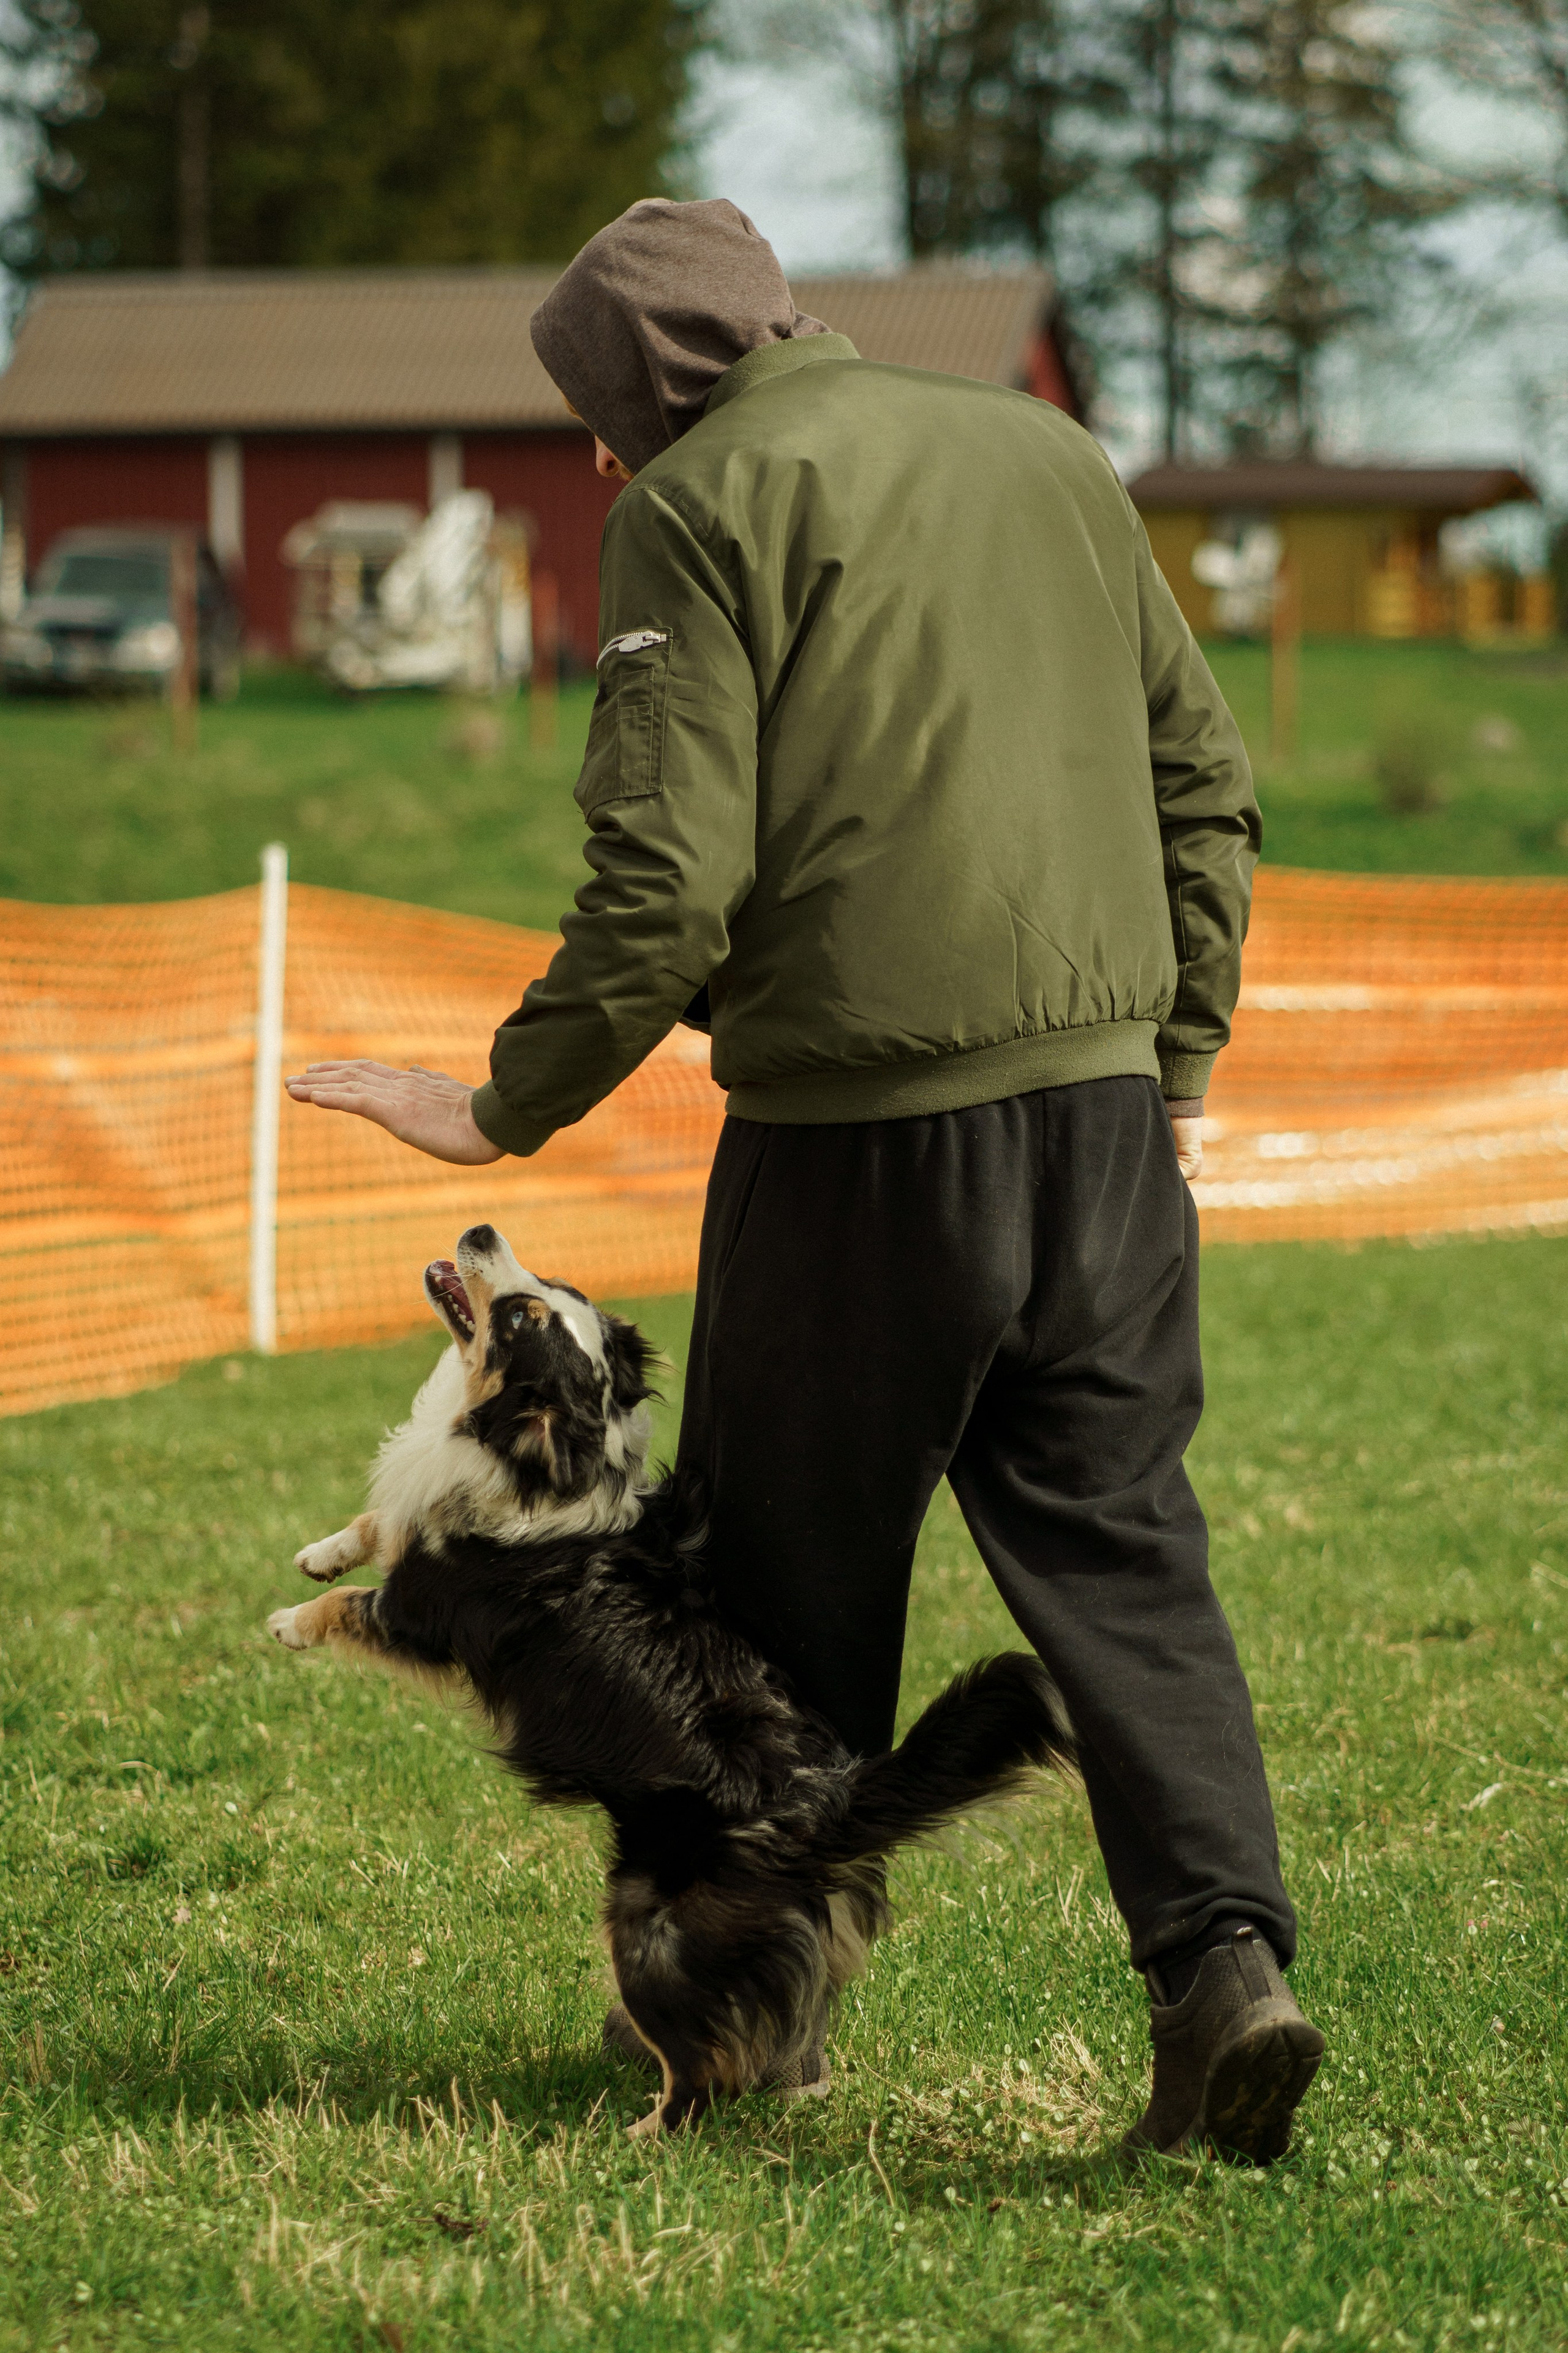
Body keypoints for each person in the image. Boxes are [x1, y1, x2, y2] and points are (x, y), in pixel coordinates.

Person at [286, 196, 1324, 2161]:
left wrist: (501, 1104)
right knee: (1129, 1556)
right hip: (1107, 1133)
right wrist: (1171, 1056)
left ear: (653, 391)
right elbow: (1207, 779)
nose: (596, 455)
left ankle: (763, 2006)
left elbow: (666, 886)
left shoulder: (695, 507)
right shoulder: (1052, 454)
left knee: (768, 1584)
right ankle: (1223, 1972)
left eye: (597, 413)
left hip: (859, 1151)